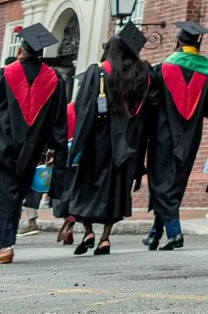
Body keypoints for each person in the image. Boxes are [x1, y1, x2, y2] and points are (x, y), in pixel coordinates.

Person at [0, 24, 66, 263]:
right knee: (14, 194)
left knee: (1, 194)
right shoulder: (54, 79)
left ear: (21, 49)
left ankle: (5, 244)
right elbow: (57, 122)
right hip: (32, 149)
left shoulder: (3, 75)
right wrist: (56, 149)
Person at [64, 23, 152, 256]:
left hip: (98, 141)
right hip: (128, 144)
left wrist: (77, 144)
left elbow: (84, 108)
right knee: (116, 189)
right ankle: (105, 238)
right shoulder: (144, 75)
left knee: (88, 185)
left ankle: (89, 232)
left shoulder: (98, 72)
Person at [144, 20, 208, 251]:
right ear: (197, 44)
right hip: (190, 137)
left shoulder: (162, 69)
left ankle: (174, 231)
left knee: (161, 181)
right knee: (174, 182)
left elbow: (150, 104)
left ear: (178, 42)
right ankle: (154, 233)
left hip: (162, 134)